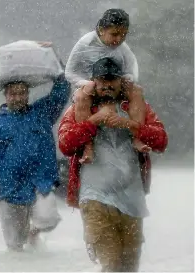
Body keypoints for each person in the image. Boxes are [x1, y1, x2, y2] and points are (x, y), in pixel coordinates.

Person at [58, 57, 168, 272]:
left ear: (121, 81)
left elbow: (161, 140)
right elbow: (65, 144)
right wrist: (94, 121)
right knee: (112, 264)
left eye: (112, 80)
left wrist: (131, 125)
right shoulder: (79, 108)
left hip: (132, 199)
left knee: (129, 267)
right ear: (93, 82)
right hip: (94, 199)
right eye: (102, 80)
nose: (107, 85)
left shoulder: (136, 106)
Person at [0, 71, 71, 251]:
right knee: (15, 247)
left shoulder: (42, 113)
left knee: (48, 219)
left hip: (40, 182)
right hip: (8, 188)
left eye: (21, 93)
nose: (17, 98)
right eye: (13, 94)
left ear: (27, 94)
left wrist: (57, 67)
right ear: (5, 95)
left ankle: (33, 234)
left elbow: (61, 93)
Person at [65, 8, 148, 164]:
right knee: (81, 96)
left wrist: (127, 79)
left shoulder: (123, 48)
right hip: (91, 88)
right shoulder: (85, 43)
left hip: (116, 87)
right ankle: (88, 145)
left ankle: (137, 138)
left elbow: (132, 71)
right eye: (115, 34)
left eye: (124, 35)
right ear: (102, 30)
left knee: (137, 91)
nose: (119, 39)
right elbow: (69, 73)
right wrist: (86, 83)